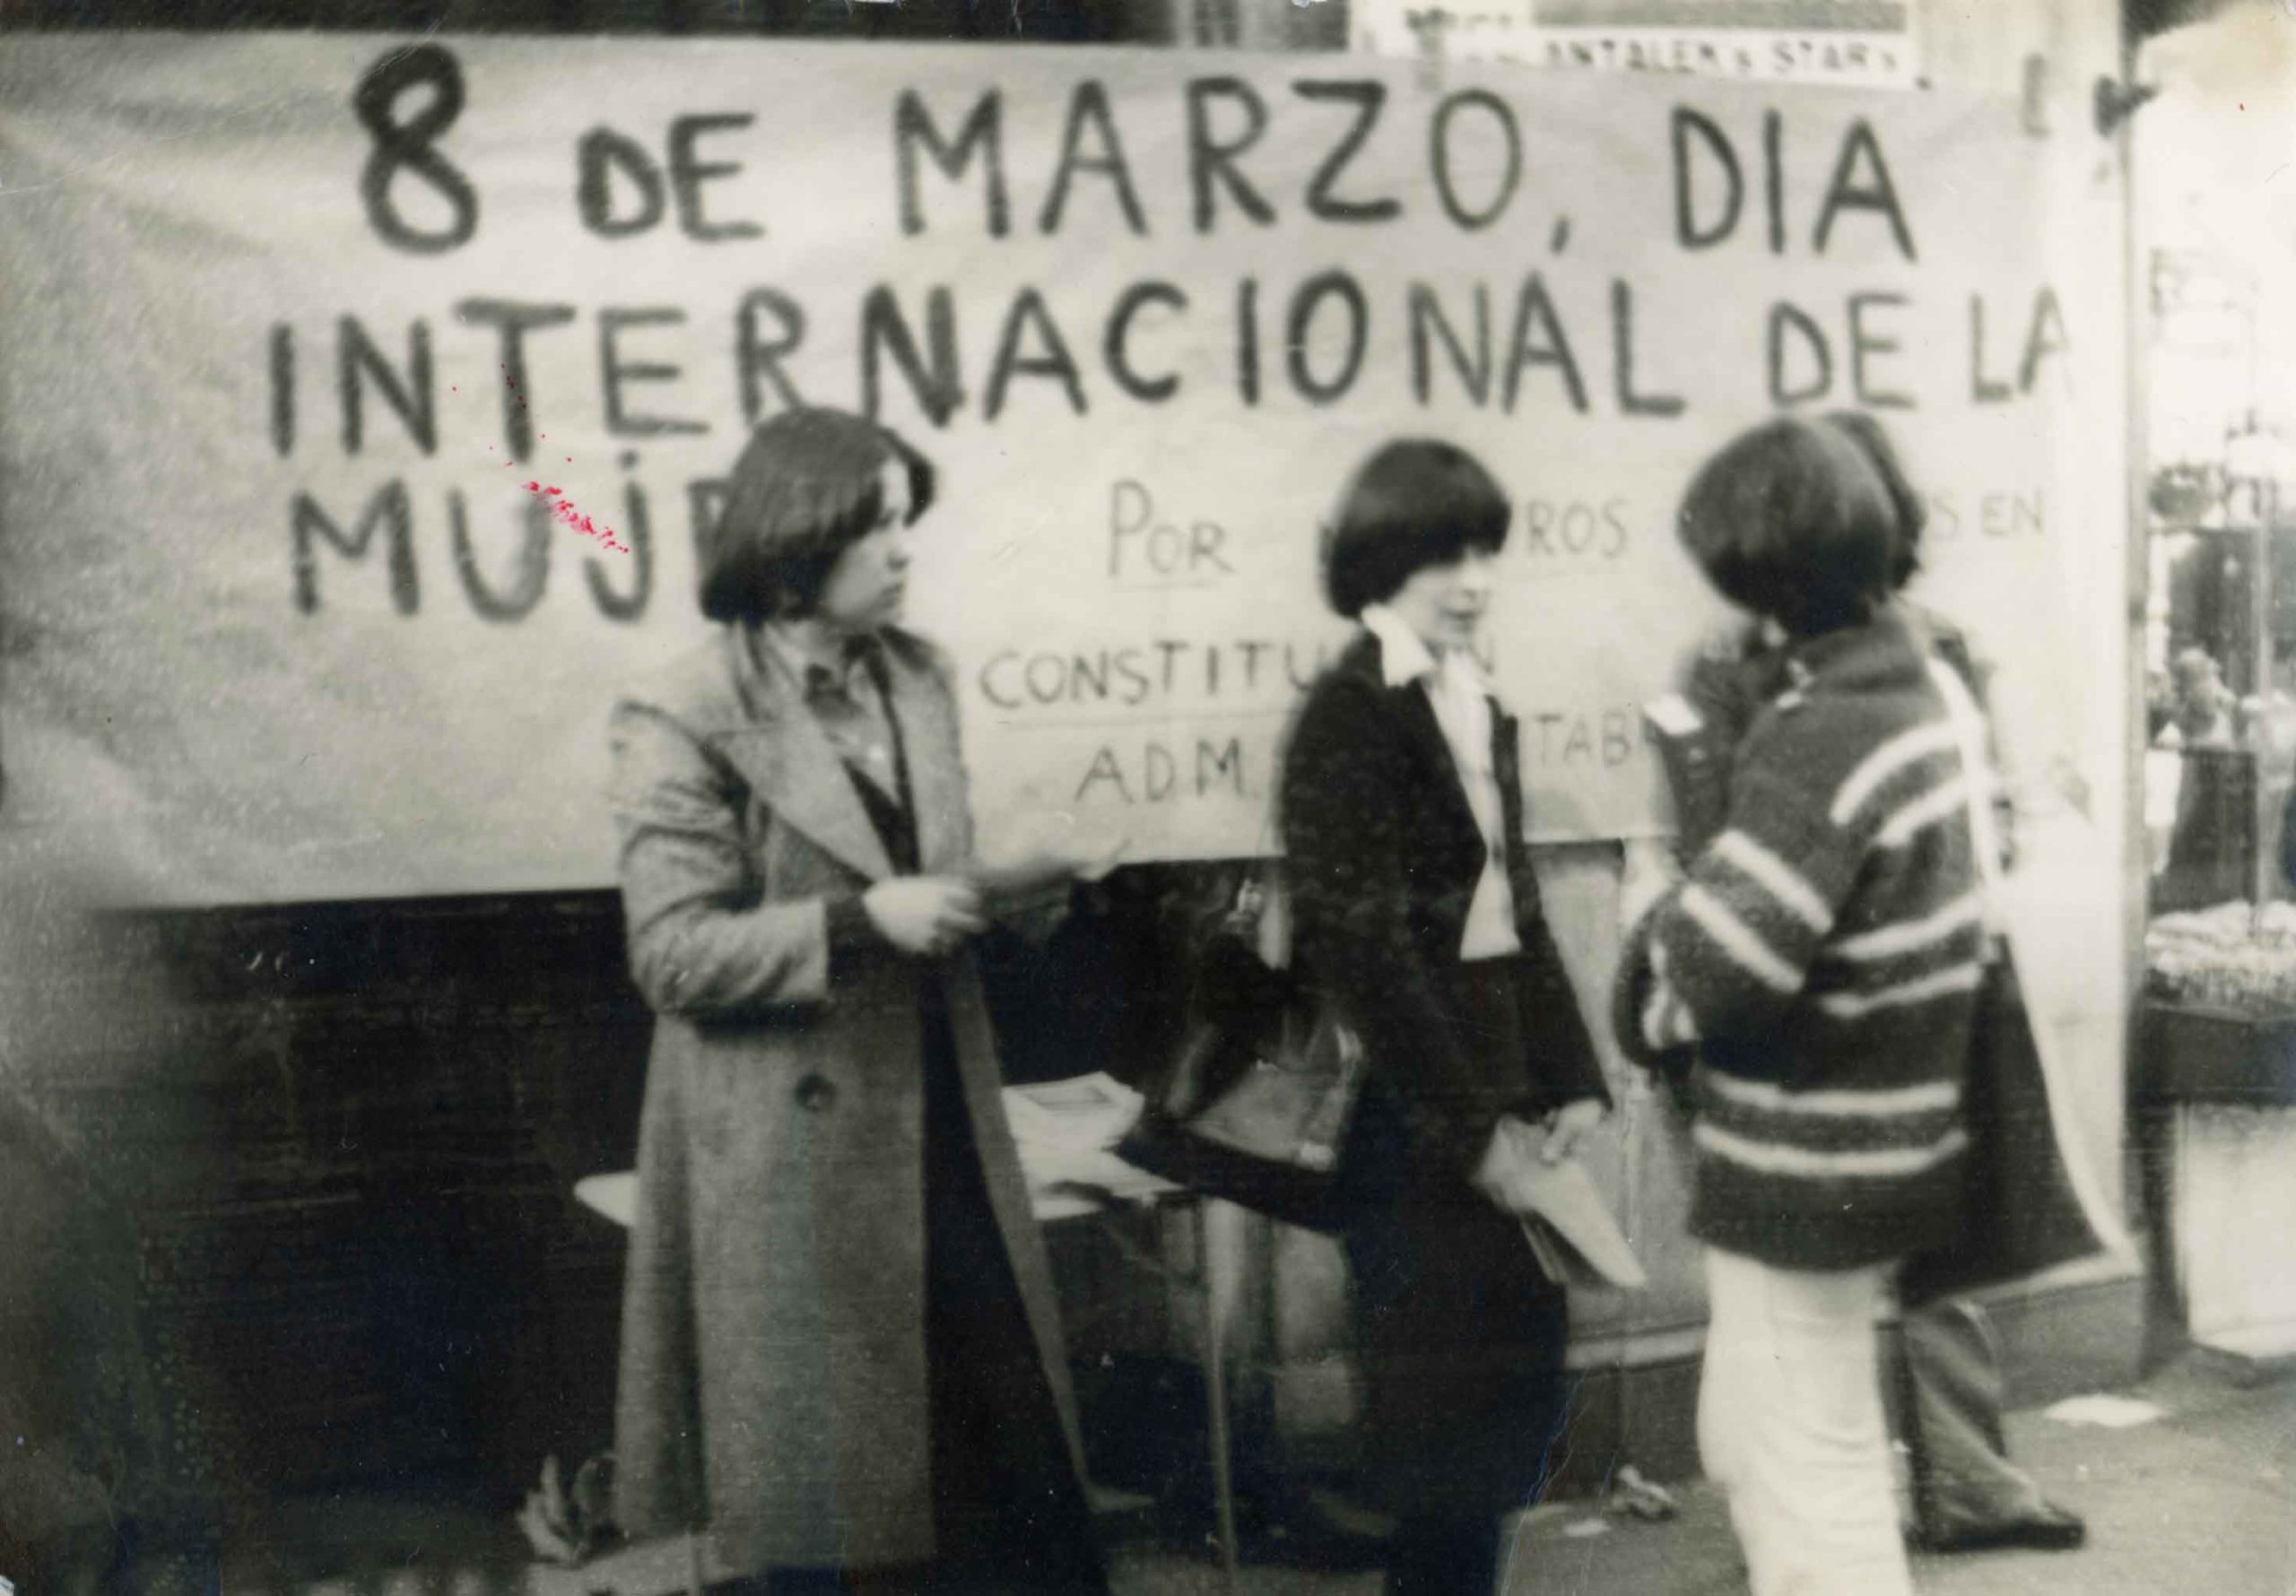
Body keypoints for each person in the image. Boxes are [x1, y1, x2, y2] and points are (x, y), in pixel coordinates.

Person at [606, 406, 1106, 1594]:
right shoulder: (681, 709)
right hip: (796, 1177)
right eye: (878, 526)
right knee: (846, 1526)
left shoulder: (918, 681)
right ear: (796, 541)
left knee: (1010, 1504)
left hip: (943, 1140)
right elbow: (672, 956)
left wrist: (1025, 886)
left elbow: (928, 879)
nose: (903, 550)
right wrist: (857, 922)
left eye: (906, 523)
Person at [1613, 412, 1987, 1596]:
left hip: (1805, 1147)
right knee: (1766, 1430)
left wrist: (1651, 923)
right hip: (1879, 1129)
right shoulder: (1916, 688)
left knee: (1811, 1469)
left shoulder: (1825, 732)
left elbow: (1721, 969)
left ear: (1768, 585)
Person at [1280, 438, 1613, 1595]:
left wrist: (1571, 1074)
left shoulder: (1477, 702)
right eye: (1441, 556)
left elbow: (1510, 905)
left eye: (1485, 553)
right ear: (1379, 563)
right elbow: (1364, 954)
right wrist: (1476, 1136)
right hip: (1417, 1118)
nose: (1472, 580)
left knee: (1493, 1439)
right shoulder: (1347, 715)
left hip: (1496, 1093)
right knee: (1436, 1451)